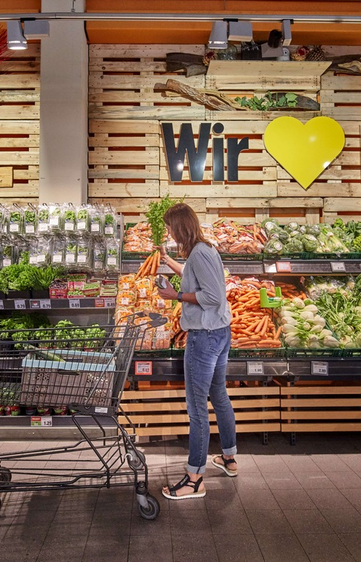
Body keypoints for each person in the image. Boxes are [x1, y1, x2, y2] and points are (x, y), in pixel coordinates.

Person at [155, 203, 237, 500]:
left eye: (170, 228)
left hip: (204, 337)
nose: (169, 233)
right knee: (219, 396)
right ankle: (228, 458)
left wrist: (174, 295)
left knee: (197, 408)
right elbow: (196, 277)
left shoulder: (200, 253)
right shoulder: (204, 250)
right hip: (219, 332)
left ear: (180, 227)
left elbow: (213, 297)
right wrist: (170, 264)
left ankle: (194, 479)